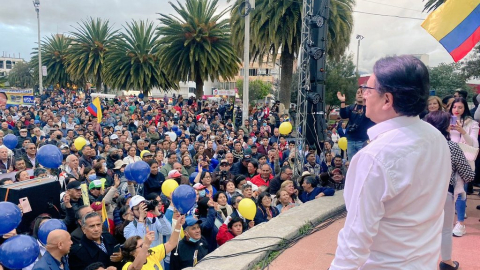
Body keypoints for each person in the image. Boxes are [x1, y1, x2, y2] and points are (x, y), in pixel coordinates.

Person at [330, 55, 451, 269]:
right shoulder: (436, 137)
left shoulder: (375, 157)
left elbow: (354, 242)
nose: (364, 95)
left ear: (387, 100)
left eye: (368, 88)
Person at [424, 111, 475, 270]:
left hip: (420, 193)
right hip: (444, 192)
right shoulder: (452, 147)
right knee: (446, 230)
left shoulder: (419, 146)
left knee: (421, 229)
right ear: (445, 127)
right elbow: (468, 175)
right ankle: (446, 262)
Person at [449, 97, 478, 236]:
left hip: (464, 161)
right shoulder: (446, 120)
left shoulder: (472, 123)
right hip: (447, 160)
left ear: (465, 108)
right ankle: (445, 221)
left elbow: (474, 144)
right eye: (454, 107)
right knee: (446, 192)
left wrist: (463, 131)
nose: (457, 110)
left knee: (461, 192)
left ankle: (460, 223)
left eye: (460, 107)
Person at [120, 215, 185, 270]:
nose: (147, 247)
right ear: (132, 253)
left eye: (144, 243)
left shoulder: (152, 253)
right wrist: (146, 244)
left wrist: (178, 226)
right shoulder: (127, 266)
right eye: (141, 246)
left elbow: (171, 243)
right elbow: (136, 267)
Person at [337, 86, 375, 160]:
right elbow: (343, 115)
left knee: (363, 162)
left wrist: (365, 102)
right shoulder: (351, 107)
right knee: (352, 163)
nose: (360, 95)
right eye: (358, 93)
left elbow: (367, 115)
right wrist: (342, 102)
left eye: (362, 93)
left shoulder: (369, 107)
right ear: (355, 96)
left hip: (364, 140)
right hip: (351, 140)